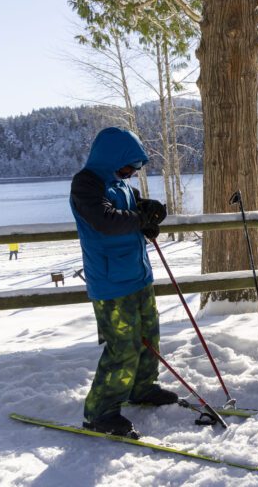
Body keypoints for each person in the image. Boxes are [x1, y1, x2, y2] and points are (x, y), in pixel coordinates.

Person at [70, 127, 177, 438]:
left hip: (138, 275)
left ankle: (142, 388)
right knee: (124, 348)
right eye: (128, 166)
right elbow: (105, 220)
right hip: (111, 283)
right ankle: (100, 412)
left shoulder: (120, 183)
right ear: (112, 158)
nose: (132, 173)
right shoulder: (86, 184)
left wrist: (148, 212)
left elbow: (131, 211)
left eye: (136, 168)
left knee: (148, 336)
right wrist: (138, 220)